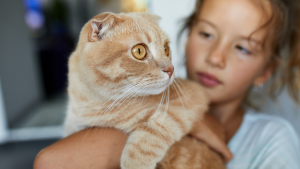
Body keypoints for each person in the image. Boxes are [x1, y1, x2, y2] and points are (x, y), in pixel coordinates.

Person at [33, 0, 300, 168]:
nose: (216, 57)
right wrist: (185, 121)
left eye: (242, 47)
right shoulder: (138, 97)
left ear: (266, 71)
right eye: (206, 34)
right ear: (187, 36)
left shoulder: (273, 139)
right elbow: (49, 162)